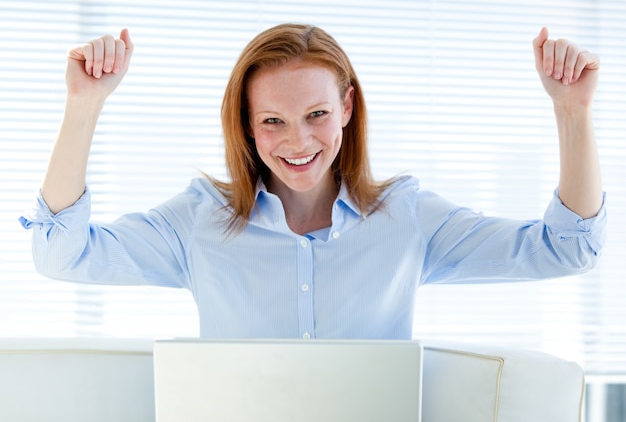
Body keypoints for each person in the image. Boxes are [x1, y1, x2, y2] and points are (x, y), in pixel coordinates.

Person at [20, 23, 606, 339]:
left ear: (347, 108)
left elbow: (568, 249)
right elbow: (60, 255)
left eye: (317, 115)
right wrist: (84, 105)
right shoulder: (198, 221)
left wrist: (572, 113)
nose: (299, 143)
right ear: (247, 127)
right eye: (273, 120)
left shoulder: (407, 218)